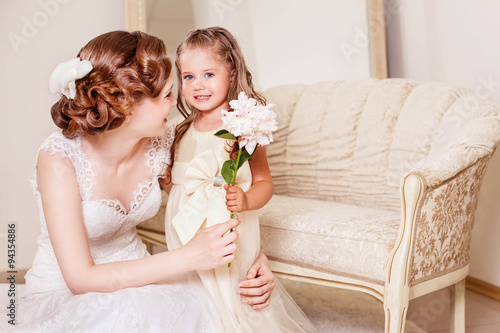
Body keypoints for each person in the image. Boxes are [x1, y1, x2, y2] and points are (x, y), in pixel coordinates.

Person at [2, 30, 275, 332]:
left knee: (218, 308)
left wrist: (250, 258)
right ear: (129, 104)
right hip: (68, 291)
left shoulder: (164, 141)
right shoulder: (59, 158)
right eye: (167, 94)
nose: (175, 104)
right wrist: (186, 257)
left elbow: (205, 200)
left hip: (145, 278)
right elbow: (81, 280)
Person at [163, 27, 316, 332]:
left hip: (227, 224)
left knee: (230, 291)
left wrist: (246, 200)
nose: (198, 85)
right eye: (189, 77)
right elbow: (179, 179)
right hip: (186, 226)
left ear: (231, 74)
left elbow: (264, 183)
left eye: (209, 74)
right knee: (193, 292)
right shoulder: (180, 127)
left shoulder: (243, 126)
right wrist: (169, 183)